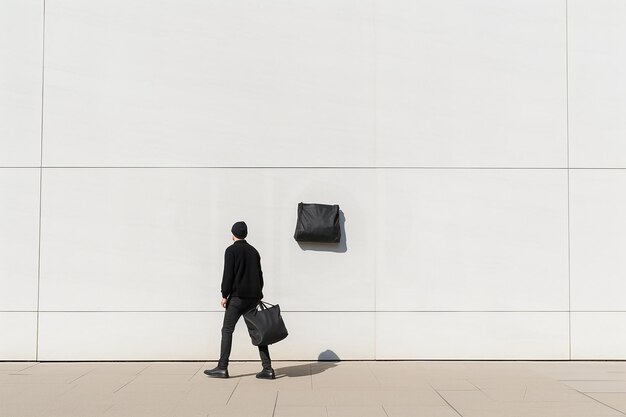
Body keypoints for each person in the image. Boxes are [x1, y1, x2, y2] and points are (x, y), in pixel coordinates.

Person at [204, 221, 275, 380]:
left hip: (237, 298)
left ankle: (222, 367)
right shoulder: (254, 251)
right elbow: (260, 276)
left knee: (227, 330)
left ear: (233, 234)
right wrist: (258, 294)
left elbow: (228, 275)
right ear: (246, 234)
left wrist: (224, 295)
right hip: (252, 298)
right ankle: (268, 369)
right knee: (259, 332)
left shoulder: (231, 251)